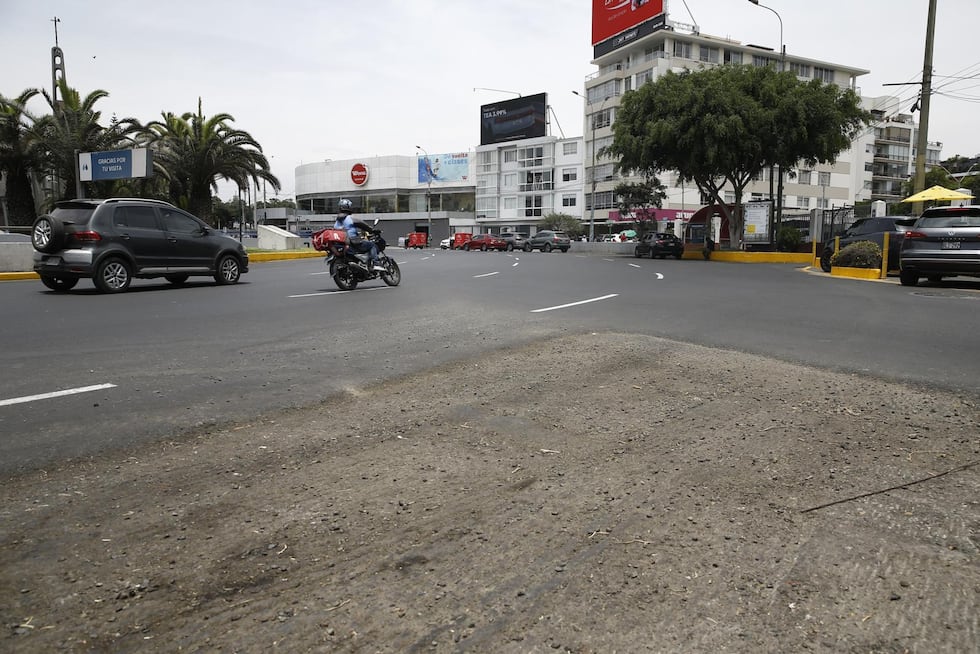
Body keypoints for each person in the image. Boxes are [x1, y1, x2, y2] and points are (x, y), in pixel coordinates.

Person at [334, 199, 384, 271]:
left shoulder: (337, 221)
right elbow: (363, 225)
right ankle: (376, 263)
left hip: (342, 243)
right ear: (348, 207)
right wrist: (372, 230)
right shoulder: (350, 218)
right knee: (372, 245)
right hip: (353, 241)